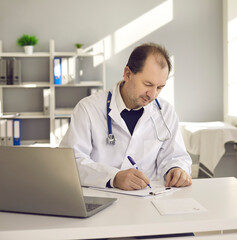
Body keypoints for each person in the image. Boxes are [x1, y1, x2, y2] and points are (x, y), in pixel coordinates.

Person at [60, 43, 192, 191]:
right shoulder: (88, 109)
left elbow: (176, 156)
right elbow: (71, 162)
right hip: (102, 197)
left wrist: (177, 169)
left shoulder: (166, 112)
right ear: (128, 74)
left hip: (148, 200)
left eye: (160, 87)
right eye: (147, 84)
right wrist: (113, 177)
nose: (153, 95)